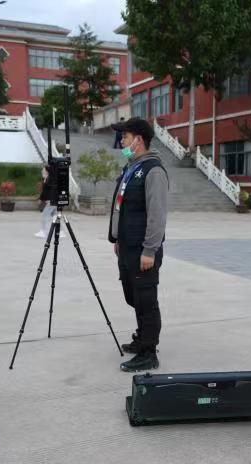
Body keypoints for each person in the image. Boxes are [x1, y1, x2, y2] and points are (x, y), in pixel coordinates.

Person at [108, 118, 168, 372]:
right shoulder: (132, 167)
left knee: (146, 300)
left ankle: (148, 352)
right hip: (127, 246)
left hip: (143, 250)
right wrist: (117, 239)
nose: (121, 142)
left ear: (138, 140)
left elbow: (157, 215)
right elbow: (123, 207)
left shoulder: (153, 171)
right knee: (133, 296)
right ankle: (142, 337)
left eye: (125, 137)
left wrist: (149, 250)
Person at [36, 166, 57, 238]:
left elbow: (46, 191)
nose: (42, 171)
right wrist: (41, 199)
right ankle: (60, 232)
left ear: (47, 171)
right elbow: (45, 192)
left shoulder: (49, 180)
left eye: (43, 170)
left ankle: (43, 231)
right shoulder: (47, 179)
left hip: (51, 201)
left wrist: (41, 199)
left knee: (44, 216)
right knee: (55, 216)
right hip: (53, 201)